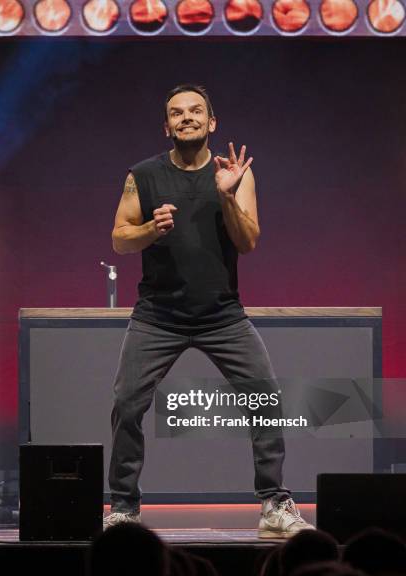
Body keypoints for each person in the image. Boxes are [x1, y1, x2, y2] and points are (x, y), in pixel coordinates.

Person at [104, 83, 315, 538]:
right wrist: (149, 229)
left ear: (212, 122)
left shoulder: (235, 173)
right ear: (167, 126)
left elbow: (248, 242)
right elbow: (120, 239)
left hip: (223, 315)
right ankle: (123, 507)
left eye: (196, 111)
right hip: (158, 316)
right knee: (126, 403)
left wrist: (225, 194)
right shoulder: (142, 175)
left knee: (266, 400)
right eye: (177, 113)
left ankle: (274, 505)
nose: (187, 118)